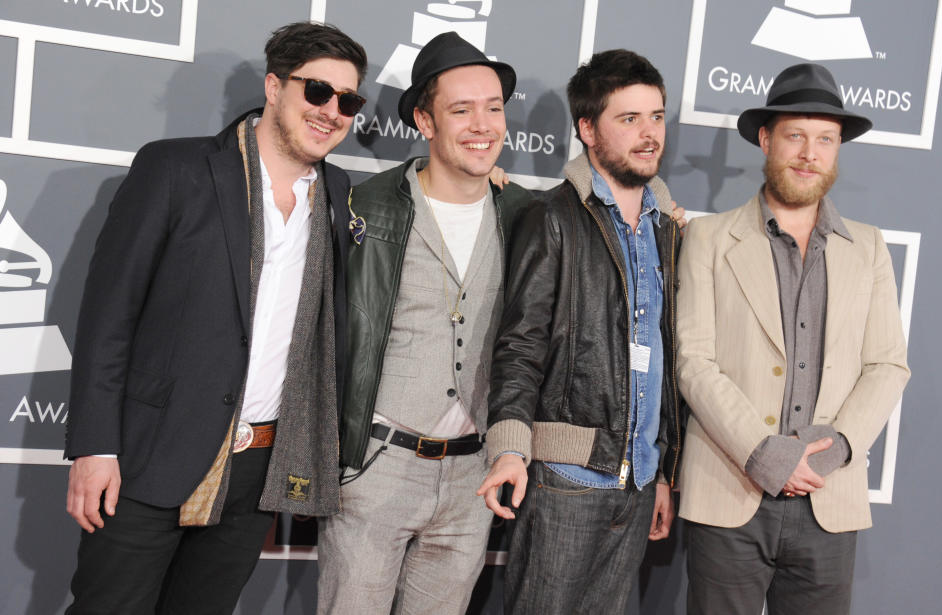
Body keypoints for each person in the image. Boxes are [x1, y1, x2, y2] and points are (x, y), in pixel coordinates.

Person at [63, 22, 367, 614]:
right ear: (274, 87)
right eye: (318, 92)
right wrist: (94, 446)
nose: (333, 111)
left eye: (349, 101)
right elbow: (109, 316)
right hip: (147, 456)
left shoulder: (337, 193)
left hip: (256, 470)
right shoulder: (176, 168)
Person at [676, 63, 911, 615]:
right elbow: (694, 361)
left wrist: (838, 450)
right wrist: (764, 453)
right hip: (730, 491)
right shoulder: (710, 238)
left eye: (825, 139)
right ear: (765, 138)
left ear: (837, 149)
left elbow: (887, 365)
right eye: (796, 135)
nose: (810, 152)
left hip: (830, 498)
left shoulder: (870, 248)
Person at [315, 32, 530, 615]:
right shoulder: (366, 207)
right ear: (425, 121)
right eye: (461, 110)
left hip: (473, 477)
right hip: (376, 467)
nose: (482, 124)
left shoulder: (526, 214)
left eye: (493, 107)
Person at [477, 49, 686, 614]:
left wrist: (662, 471)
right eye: (630, 119)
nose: (649, 135)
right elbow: (519, 346)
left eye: (657, 117)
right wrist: (511, 449)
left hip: (638, 485)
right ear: (587, 129)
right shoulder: (553, 218)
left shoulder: (669, 230)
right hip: (565, 481)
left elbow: (665, 360)